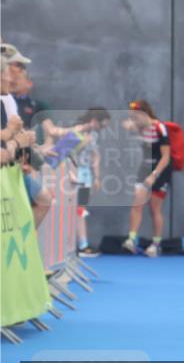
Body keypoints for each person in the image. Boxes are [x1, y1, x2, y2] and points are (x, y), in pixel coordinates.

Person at [0, 43, 53, 227]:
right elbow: (8, 137)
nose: (20, 71)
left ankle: (25, 244)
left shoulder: (8, 100)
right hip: (6, 163)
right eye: (18, 65)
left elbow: (15, 135)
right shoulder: (7, 99)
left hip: (12, 164)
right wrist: (15, 140)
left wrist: (27, 154)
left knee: (43, 199)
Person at [47, 108, 111, 256]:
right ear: (94, 121)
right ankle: (71, 246)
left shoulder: (94, 134)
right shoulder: (78, 129)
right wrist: (82, 143)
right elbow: (64, 151)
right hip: (72, 172)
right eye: (102, 125)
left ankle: (82, 245)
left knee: (80, 209)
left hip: (85, 173)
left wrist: (97, 176)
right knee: (69, 209)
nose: (102, 129)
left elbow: (95, 155)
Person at [122, 99, 171, 257]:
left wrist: (154, 175)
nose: (133, 120)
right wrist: (129, 125)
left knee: (155, 208)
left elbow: (166, 157)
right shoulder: (139, 127)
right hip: (144, 167)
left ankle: (156, 244)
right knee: (137, 203)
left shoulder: (160, 128)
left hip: (160, 170)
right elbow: (129, 127)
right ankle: (132, 239)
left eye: (136, 116)